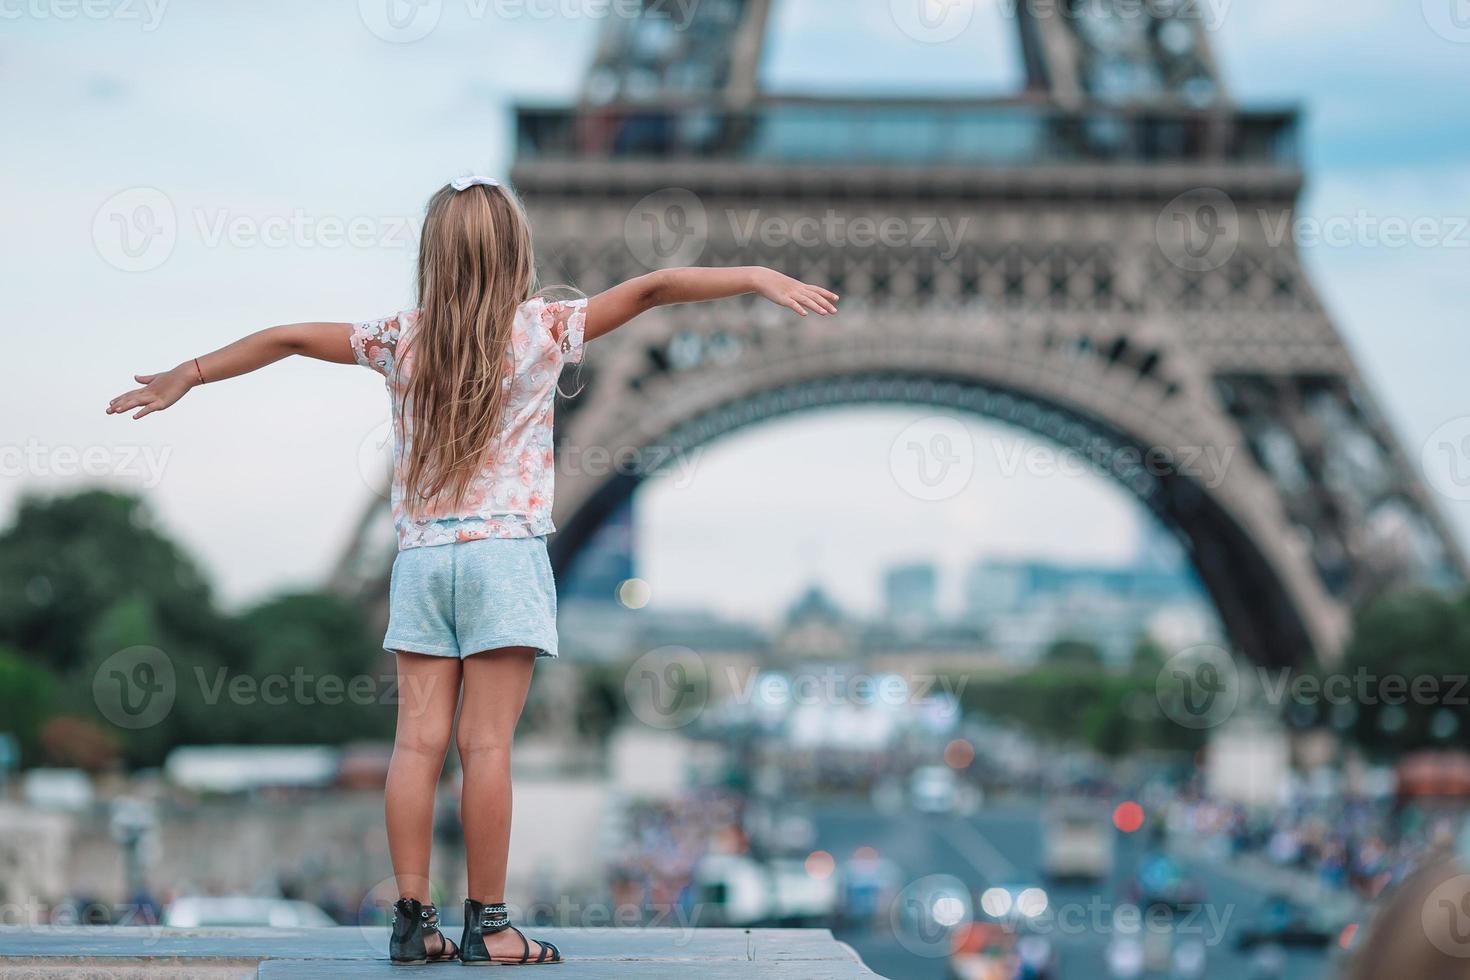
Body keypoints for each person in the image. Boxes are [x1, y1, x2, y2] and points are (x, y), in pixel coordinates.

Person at [106, 176, 839, 964]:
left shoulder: (398, 337)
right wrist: (758, 276)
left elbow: (286, 337)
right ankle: (489, 928)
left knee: (414, 749)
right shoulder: (545, 328)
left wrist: (190, 372)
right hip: (505, 559)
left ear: (434, 256)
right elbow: (659, 286)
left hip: (421, 562)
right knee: (485, 749)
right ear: (517, 251)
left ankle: (413, 923)